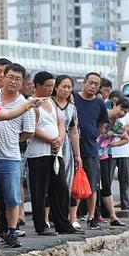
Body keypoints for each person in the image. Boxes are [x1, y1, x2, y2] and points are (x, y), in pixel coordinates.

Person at [0, 64, 35, 248]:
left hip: (11, 158)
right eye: (10, 77)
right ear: (3, 77)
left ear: (22, 83)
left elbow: (28, 132)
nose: (13, 81)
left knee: (13, 198)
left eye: (17, 79)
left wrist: (12, 139)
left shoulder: (24, 104)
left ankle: (11, 232)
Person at [25, 71, 78, 235]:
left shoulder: (51, 103)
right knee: (40, 190)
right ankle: (41, 225)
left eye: (51, 85)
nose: (50, 89)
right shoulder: (30, 103)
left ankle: (63, 223)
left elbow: (61, 123)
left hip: (56, 152)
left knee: (61, 187)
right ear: (37, 86)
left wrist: (59, 139)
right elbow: (32, 128)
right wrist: (50, 140)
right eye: (47, 85)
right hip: (38, 153)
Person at [73, 72, 111, 227]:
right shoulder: (73, 98)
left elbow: (102, 125)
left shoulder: (99, 103)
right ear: (84, 83)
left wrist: (94, 133)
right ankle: (73, 217)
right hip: (73, 147)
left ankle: (91, 216)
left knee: (92, 184)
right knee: (72, 184)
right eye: (91, 82)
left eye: (96, 84)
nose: (93, 86)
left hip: (91, 148)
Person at [50, 75, 83, 228]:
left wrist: (77, 155)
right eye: (63, 86)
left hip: (67, 149)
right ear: (56, 87)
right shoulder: (49, 104)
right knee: (50, 184)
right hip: (49, 145)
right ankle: (47, 218)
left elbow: (74, 132)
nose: (66, 90)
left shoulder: (72, 108)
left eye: (69, 87)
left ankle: (70, 217)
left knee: (66, 184)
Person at [94, 96, 129, 228]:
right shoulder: (102, 115)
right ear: (115, 105)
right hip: (90, 154)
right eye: (121, 109)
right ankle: (88, 216)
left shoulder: (118, 124)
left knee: (105, 186)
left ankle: (113, 217)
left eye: (125, 112)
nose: (122, 113)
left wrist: (112, 144)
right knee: (91, 186)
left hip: (103, 156)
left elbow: (126, 139)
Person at [106, 91, 129, 211]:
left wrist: (114, 142)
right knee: (107, 181)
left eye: (125, 111)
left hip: (124, 152)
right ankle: (106, 209)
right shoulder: (106, 114)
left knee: (125, 181)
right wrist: (124, 128)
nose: (122, 113)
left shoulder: (123, 117)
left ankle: (126, 207)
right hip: (108, 154)